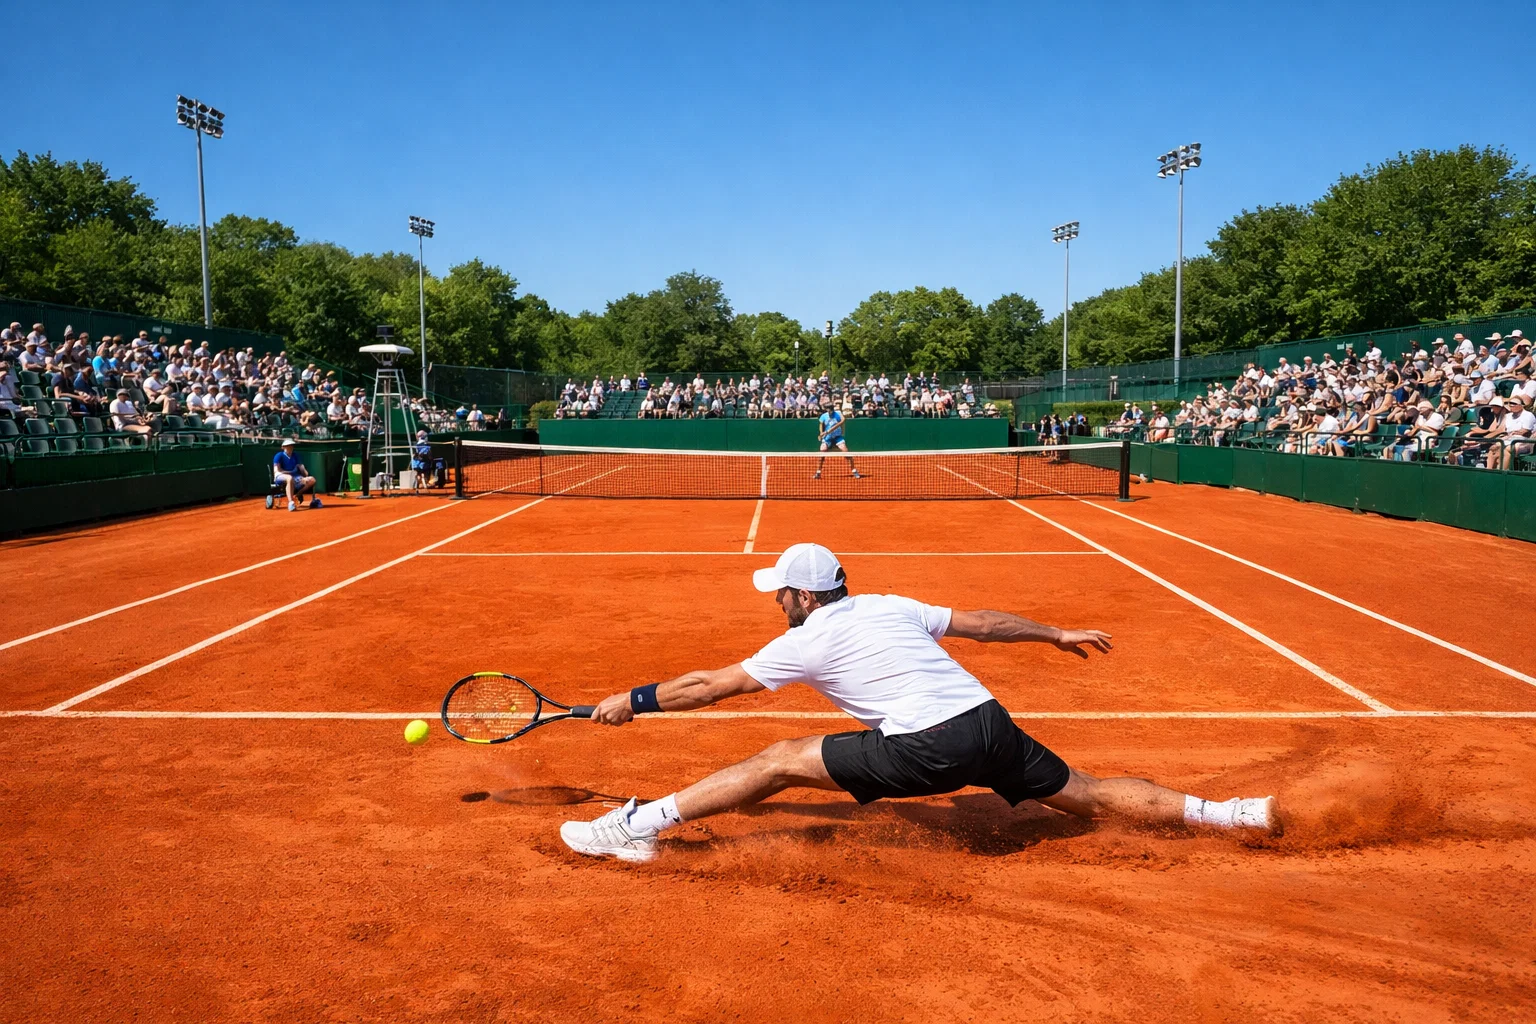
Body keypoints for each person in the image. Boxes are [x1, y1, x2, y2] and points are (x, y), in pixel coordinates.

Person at [560, 544, 1280, 863]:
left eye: (780, 593)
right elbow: (984, 624)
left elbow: (709, 687)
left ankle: (636, 828)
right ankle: (1231, 814)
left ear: (804, 595)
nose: (776, 602)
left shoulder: (803, 640)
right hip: (989, 724)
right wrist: (1056, 633)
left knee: (779, 759)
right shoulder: (889, 604)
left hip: (930, 743)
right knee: (1085, 793)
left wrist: (634, 699)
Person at [270, 438, 321, 511]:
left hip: (295, 476)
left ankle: (297, 496)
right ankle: (291, 503)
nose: (290, 447)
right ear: (283, 447)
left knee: (312, 480)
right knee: (289, 478)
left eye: (291, 445)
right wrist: (290, 472)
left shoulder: (295, 455)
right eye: (288, 446)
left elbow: (301, 468)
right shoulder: (279, 455)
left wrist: (305, 476)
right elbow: (277, 470)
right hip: (280, 475)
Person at [814, 406, 861, 480]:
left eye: (830, 411)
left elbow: (843, 420)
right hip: (827, 438)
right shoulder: (823, 416)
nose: (829, 412)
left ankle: (854, 470)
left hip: (837, 437)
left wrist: (829, 430)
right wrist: (821, 433)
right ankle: (818, 472)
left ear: (832, 410)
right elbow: (821, 425)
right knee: (822, 452)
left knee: (846, 452)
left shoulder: (838, 413)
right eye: (828, 411)